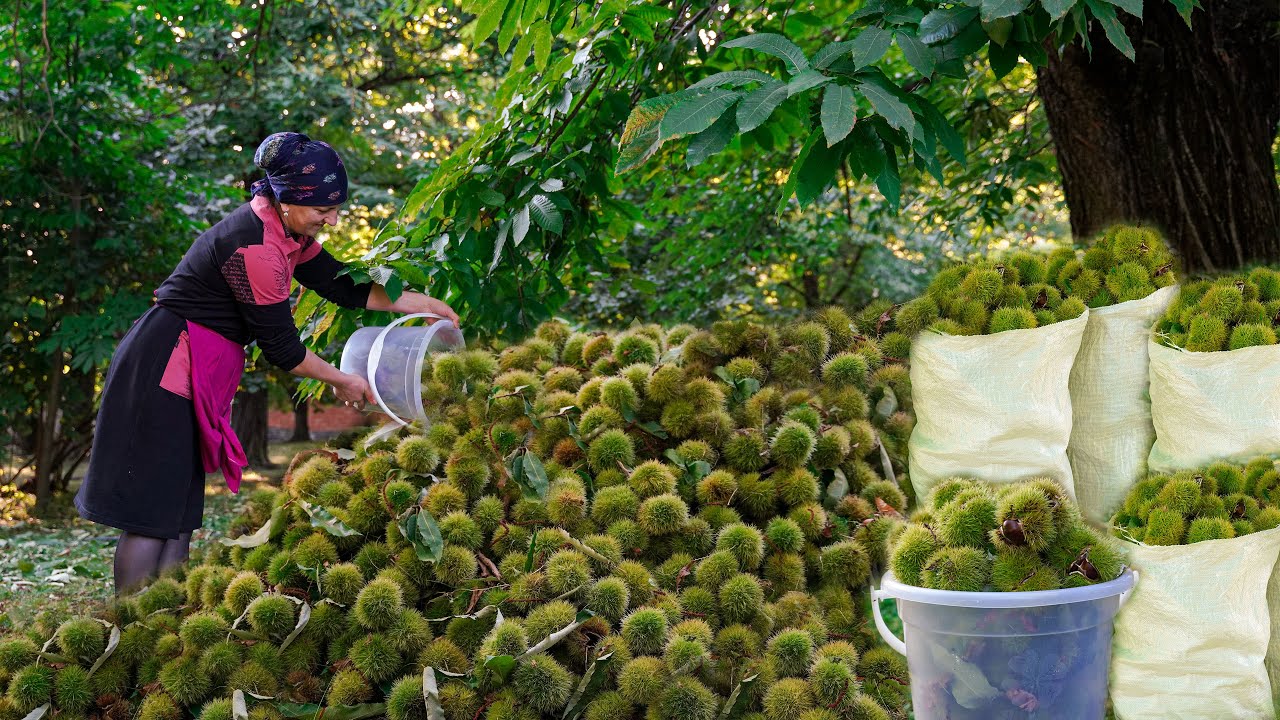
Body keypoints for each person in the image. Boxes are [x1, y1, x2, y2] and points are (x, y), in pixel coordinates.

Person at [74, 131, 458, 593]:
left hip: (195, 366)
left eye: (337, 208)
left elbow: (341, 285)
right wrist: (343, 380)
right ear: (288, 199)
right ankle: (129, 622)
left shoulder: (286, 232)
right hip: (164, 365)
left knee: (178, 510)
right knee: (152, 512)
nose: (333, 220)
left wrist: (419, 304)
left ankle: (163, 620)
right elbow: (282, 347)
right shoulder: (255, 247)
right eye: (323, 210)